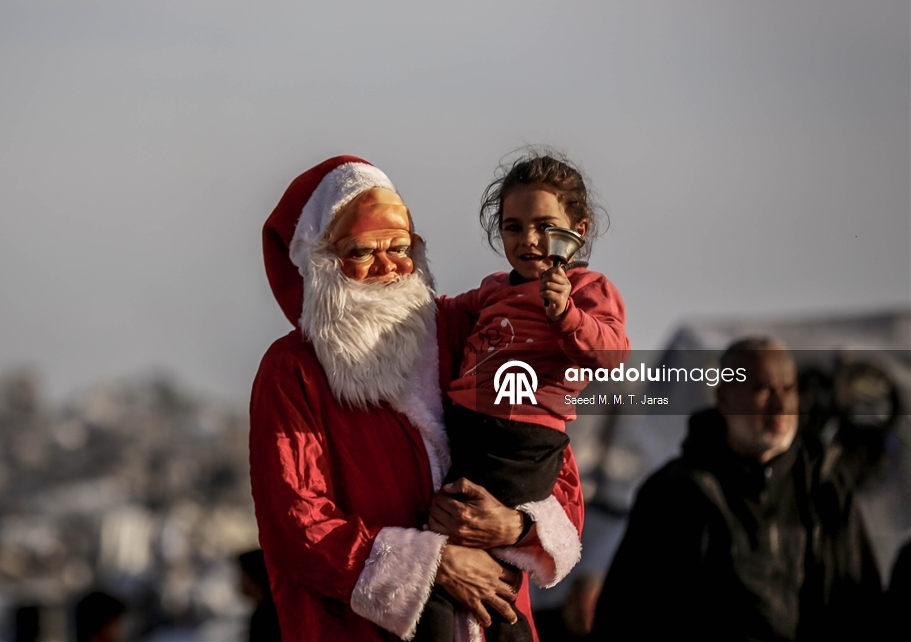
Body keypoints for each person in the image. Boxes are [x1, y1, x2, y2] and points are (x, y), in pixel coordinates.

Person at [250, 156, 586, 642]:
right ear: (319, 262)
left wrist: (514, 527)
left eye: (400, 247)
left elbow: (551, 455)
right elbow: (296, 523)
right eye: (364, 251)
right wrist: (433, 564)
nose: (388, 267)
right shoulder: (293, 371)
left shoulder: (478, 333)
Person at [417, 152, 629, 642]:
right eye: (513, 227)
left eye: (545, 226)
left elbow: (613, 352)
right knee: (447, 562)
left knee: (472, 564)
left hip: (521, 444)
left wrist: (568, 316)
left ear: (578, 229)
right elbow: (442, 313)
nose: (528, 240)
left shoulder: (587, 288)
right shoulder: (494, 289)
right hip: (469, 434)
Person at [590, 337, 883, 641]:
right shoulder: (674, 492)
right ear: (724, 398)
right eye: (762, 389)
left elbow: (864, 606)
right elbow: (624, 615)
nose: (780, 405)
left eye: (788, 389)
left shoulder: (826, 487)